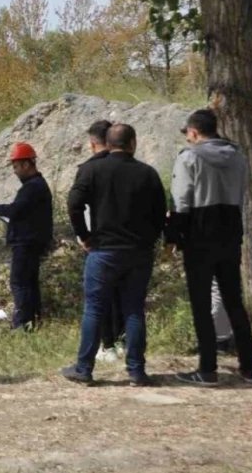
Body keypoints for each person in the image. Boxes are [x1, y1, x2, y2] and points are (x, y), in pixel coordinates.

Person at [63, 124, 166, 387]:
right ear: (132, 143)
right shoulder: (147, 173)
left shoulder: (92, 170)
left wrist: (84, 235)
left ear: (107, 144)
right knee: (134, 310)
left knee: (94, 310)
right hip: (138, 253)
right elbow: (160, 213)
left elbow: (74, 203)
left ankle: (84, 368)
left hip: (104, 251)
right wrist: (149, 240)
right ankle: (137, 371)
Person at [167, 109, 252, 386]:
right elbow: (242, 193)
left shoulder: (189, 157)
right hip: (230, 232)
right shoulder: (238, 156)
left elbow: (181, 201)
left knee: (200, 302)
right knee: (233, 300)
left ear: (193, 132)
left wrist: (172, 236)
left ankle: (207, 369)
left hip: (199, 234)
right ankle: (249, 366)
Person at [0, 143, 52, 330]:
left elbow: (14, 210)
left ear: (26, 164)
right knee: (30, 284)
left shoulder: (31, 187)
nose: (15, 171)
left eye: (16, 167)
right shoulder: (38, 185)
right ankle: (34, 322)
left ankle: (22, 325)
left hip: (26, 243)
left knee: (20, 284)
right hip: (33, 242)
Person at [81, 120, 125, 363]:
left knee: (99, 299)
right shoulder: (131, 167)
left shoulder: (90, 169)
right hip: (129, 243)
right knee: (124, 297)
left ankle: (106, 346)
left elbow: (78, 206)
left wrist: (84, 236)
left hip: (99, 242)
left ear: (92, 144)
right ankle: (123, 343)